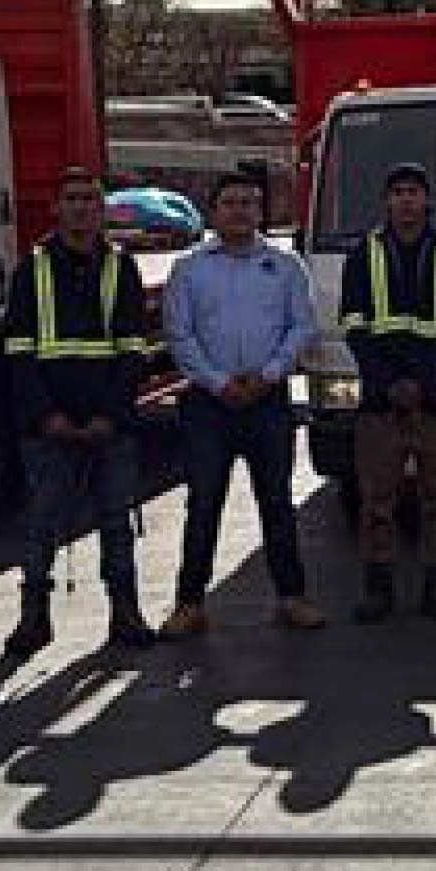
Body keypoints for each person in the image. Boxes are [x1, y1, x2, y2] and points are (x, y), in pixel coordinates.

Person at [1, 163, 156, 665]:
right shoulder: (33, 268)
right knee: (40, 525)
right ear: (56, 207)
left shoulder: (121, 267)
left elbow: (134, 349)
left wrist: (110, 415)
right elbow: (19, 353)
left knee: (116, 523)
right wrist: (47, 416)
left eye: (91, 198)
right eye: (72, 198)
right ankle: (33, 617)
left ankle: (126, 612)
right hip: (49, 426)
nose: (82, 207)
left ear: (102, 207)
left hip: (109, 424)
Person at [160, 168, 322, 634]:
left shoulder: (286, 265)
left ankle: (292, 597)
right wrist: (217, 382)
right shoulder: (190, 268)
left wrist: (270, 374)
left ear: (260, 211)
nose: (241, 211)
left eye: (249, 203)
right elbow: (179, 333)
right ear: (213, 212)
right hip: (209, 405)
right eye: (230, 203)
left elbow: (302, 326)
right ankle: (190, 604)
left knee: (276, 503)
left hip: (268, 402)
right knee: (204, 504)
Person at [340, 162, 436, 622]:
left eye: (414, 191)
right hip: (381, 404)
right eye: (397, 192)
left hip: (435, 402)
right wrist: (389, 384)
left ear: (427, 199)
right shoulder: (363, 256)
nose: (406, 200)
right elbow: (353, 326)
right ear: (386, 201)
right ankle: (378, 589)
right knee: (377, 503)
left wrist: (422, 384)